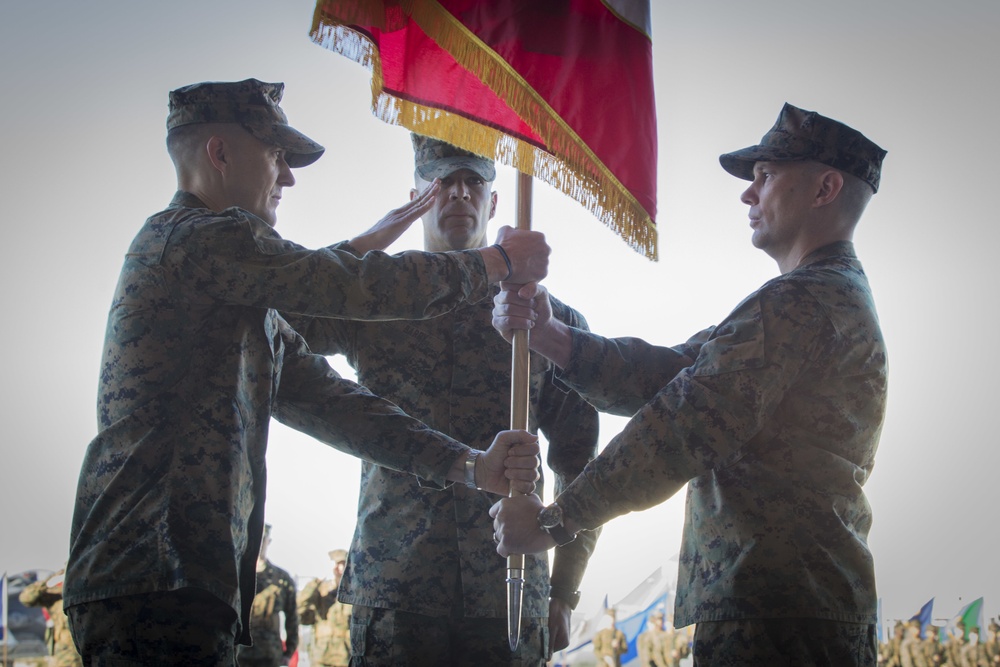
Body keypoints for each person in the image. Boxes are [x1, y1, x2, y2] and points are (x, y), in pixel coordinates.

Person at [63, 78, 548, 667]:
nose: (288, 177)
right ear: (220, 154)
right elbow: (344, 286)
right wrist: (495, 263)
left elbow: (338, 407)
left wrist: (469, 466)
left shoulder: (236, 290)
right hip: (150, 578)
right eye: (276, 157)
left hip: (185, 581)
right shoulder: (192, 240)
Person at [490, 102, 888, 666]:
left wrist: (554, 522)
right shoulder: (809, 298)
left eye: (766, 176)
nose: (748, 195)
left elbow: (683, 423)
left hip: (778, 615)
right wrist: (555, 338)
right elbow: (674, 374)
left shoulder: (802, 303)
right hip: (789, 603)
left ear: (825, 189)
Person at [285, 134, 601, 666]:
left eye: (473, 181)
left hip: (509, 585)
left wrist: (565, 589)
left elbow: (580, 461)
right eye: (441, 183)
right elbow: (285, 323)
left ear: (495, 202)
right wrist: (367, 244)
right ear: (417, 198)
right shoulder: (375, 301)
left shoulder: (548, 325)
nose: (458, 194)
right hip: (397, 586)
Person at [237, 525, 299, 667]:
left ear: (268, 542)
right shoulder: (237, 573)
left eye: (262, 539)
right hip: (239, 653)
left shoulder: (281, 579)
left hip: (269, 654)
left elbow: (292, 618)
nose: (258, 542)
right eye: (255, 537)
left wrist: (289, 652)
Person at [297, 548, 352, 667]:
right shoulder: (321, 590)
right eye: (337, 564)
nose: (340, 569)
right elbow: (300, 608)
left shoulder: (353, 594)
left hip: (344, 657)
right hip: (320, 656)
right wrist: (313, 584)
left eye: (343, 564)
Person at [18, 568, 83, 667]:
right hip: (65, 653)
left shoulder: (85, 583)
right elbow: (26, 598)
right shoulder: (54, 592)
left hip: (87, 647)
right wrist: (47, 583)